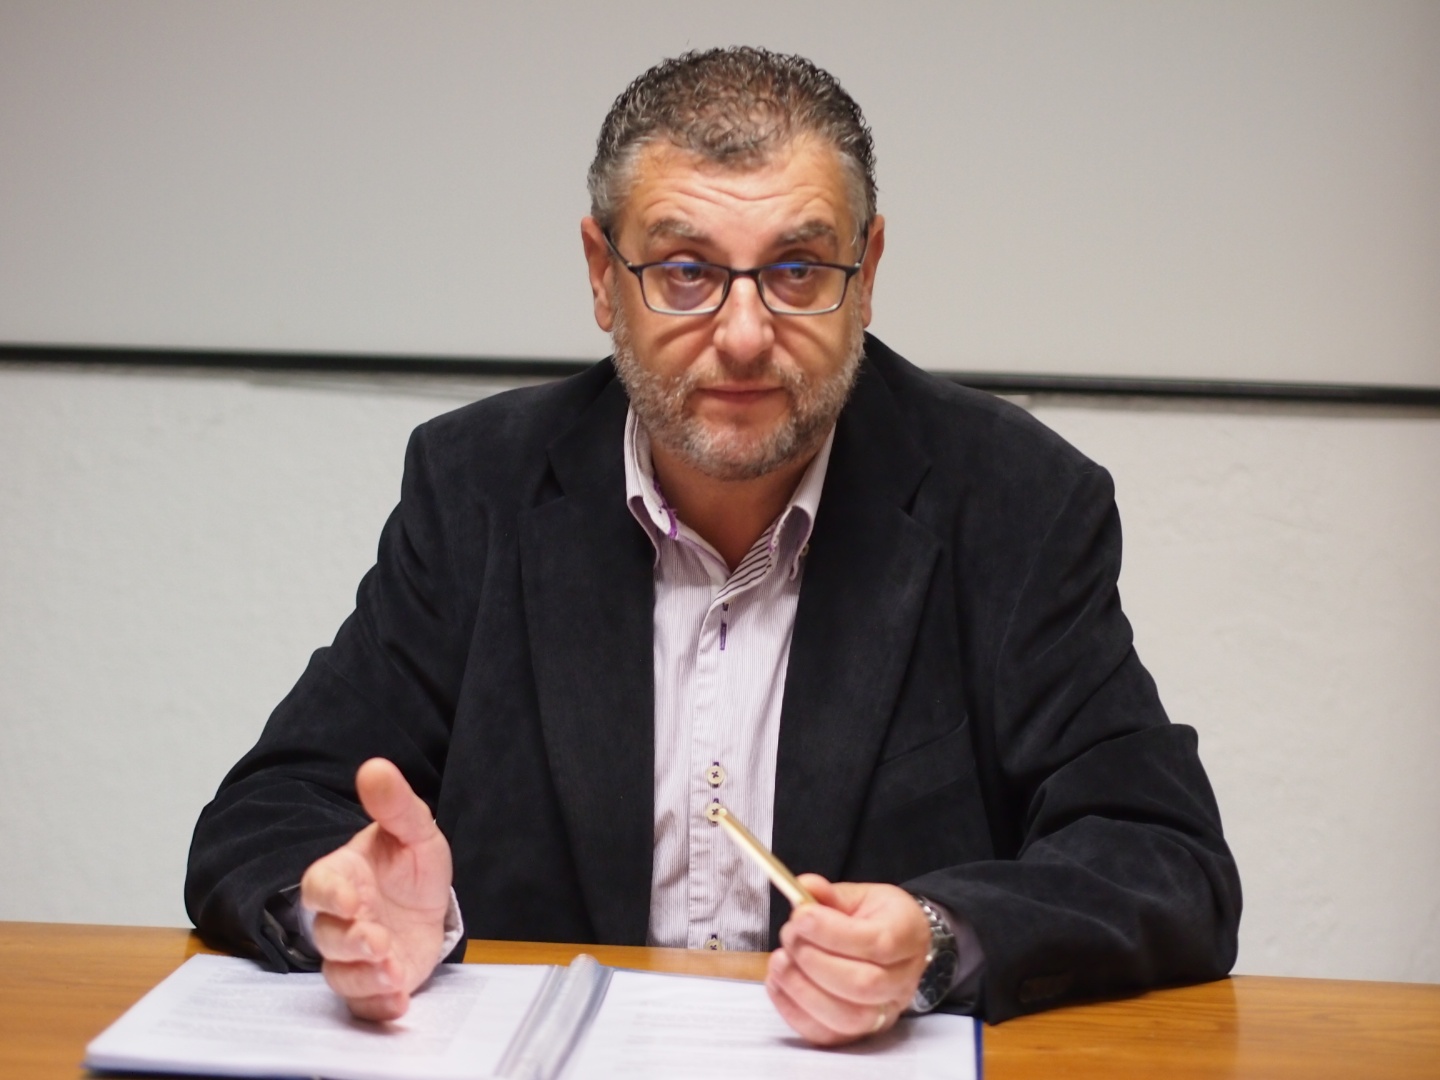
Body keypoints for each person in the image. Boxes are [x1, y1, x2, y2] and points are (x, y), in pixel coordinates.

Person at [185, 46, 1241, 1046]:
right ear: (603, 275)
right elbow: (268, 812)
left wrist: (935, 937)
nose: (743, 335)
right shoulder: (480, 488)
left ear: (867, 271)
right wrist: (342, 909)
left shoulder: (1014, 501)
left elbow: (1163, 858)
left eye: (797, 269)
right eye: (686, 271)